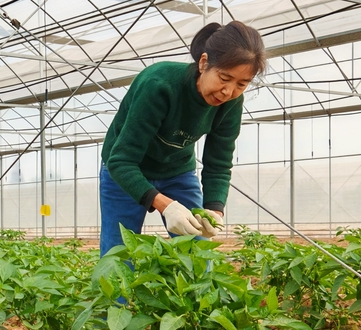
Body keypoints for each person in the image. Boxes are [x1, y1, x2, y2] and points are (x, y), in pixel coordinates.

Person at [99, 21, 266, 253]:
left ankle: (196, 291)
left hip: (176, 172)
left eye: (242, 84)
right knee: (118, 253)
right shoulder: (159, 84)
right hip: (126, 169)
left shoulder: (231, 103)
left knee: (197, 253)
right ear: (204, 62)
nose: (228, 91)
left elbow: (218, 163)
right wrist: (165, 206)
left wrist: (214, 209)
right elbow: (121, 160)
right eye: (224, 78)